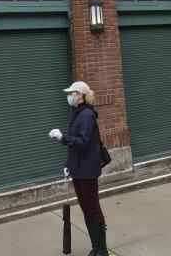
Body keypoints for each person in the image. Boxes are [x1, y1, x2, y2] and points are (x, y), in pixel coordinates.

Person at [48, 81, 108, 256]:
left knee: (92, 207)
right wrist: (68, 165)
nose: (69, 96)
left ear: (80, 95)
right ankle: (96, 248)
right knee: (85, 207)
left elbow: (82, 143)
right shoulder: (78, 114)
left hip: (87, 170)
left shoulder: (87, 115)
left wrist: (62, 137)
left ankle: (101, 250)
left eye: (71, 93)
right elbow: (76, 147)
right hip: (78, 169)